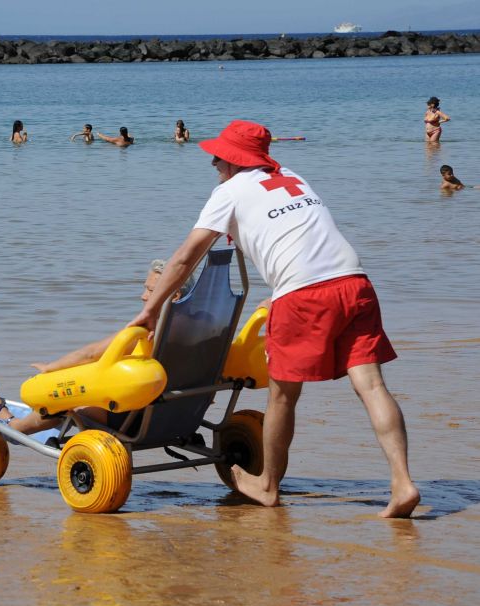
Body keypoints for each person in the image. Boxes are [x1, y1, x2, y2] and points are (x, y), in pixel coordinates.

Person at [129, 119, 420, 518]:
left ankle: (267, 486)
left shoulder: (228, 192)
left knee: (283, 395)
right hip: (354, 282)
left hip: (303, 296)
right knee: (371, 386)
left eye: (219, 156)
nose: (214, 162)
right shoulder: (292, 177)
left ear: (233, 160)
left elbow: (183, 258)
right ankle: (402, 483)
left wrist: (149, 311)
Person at [0, 260, 196, 435]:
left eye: (150, 290)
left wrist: (52, 368)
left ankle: (16, 427)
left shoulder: (147, 333)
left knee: (70, 395)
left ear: (175, 295)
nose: (143, 296)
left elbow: (91, 354)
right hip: (182, 418)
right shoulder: (205, 330)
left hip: (134, 421)